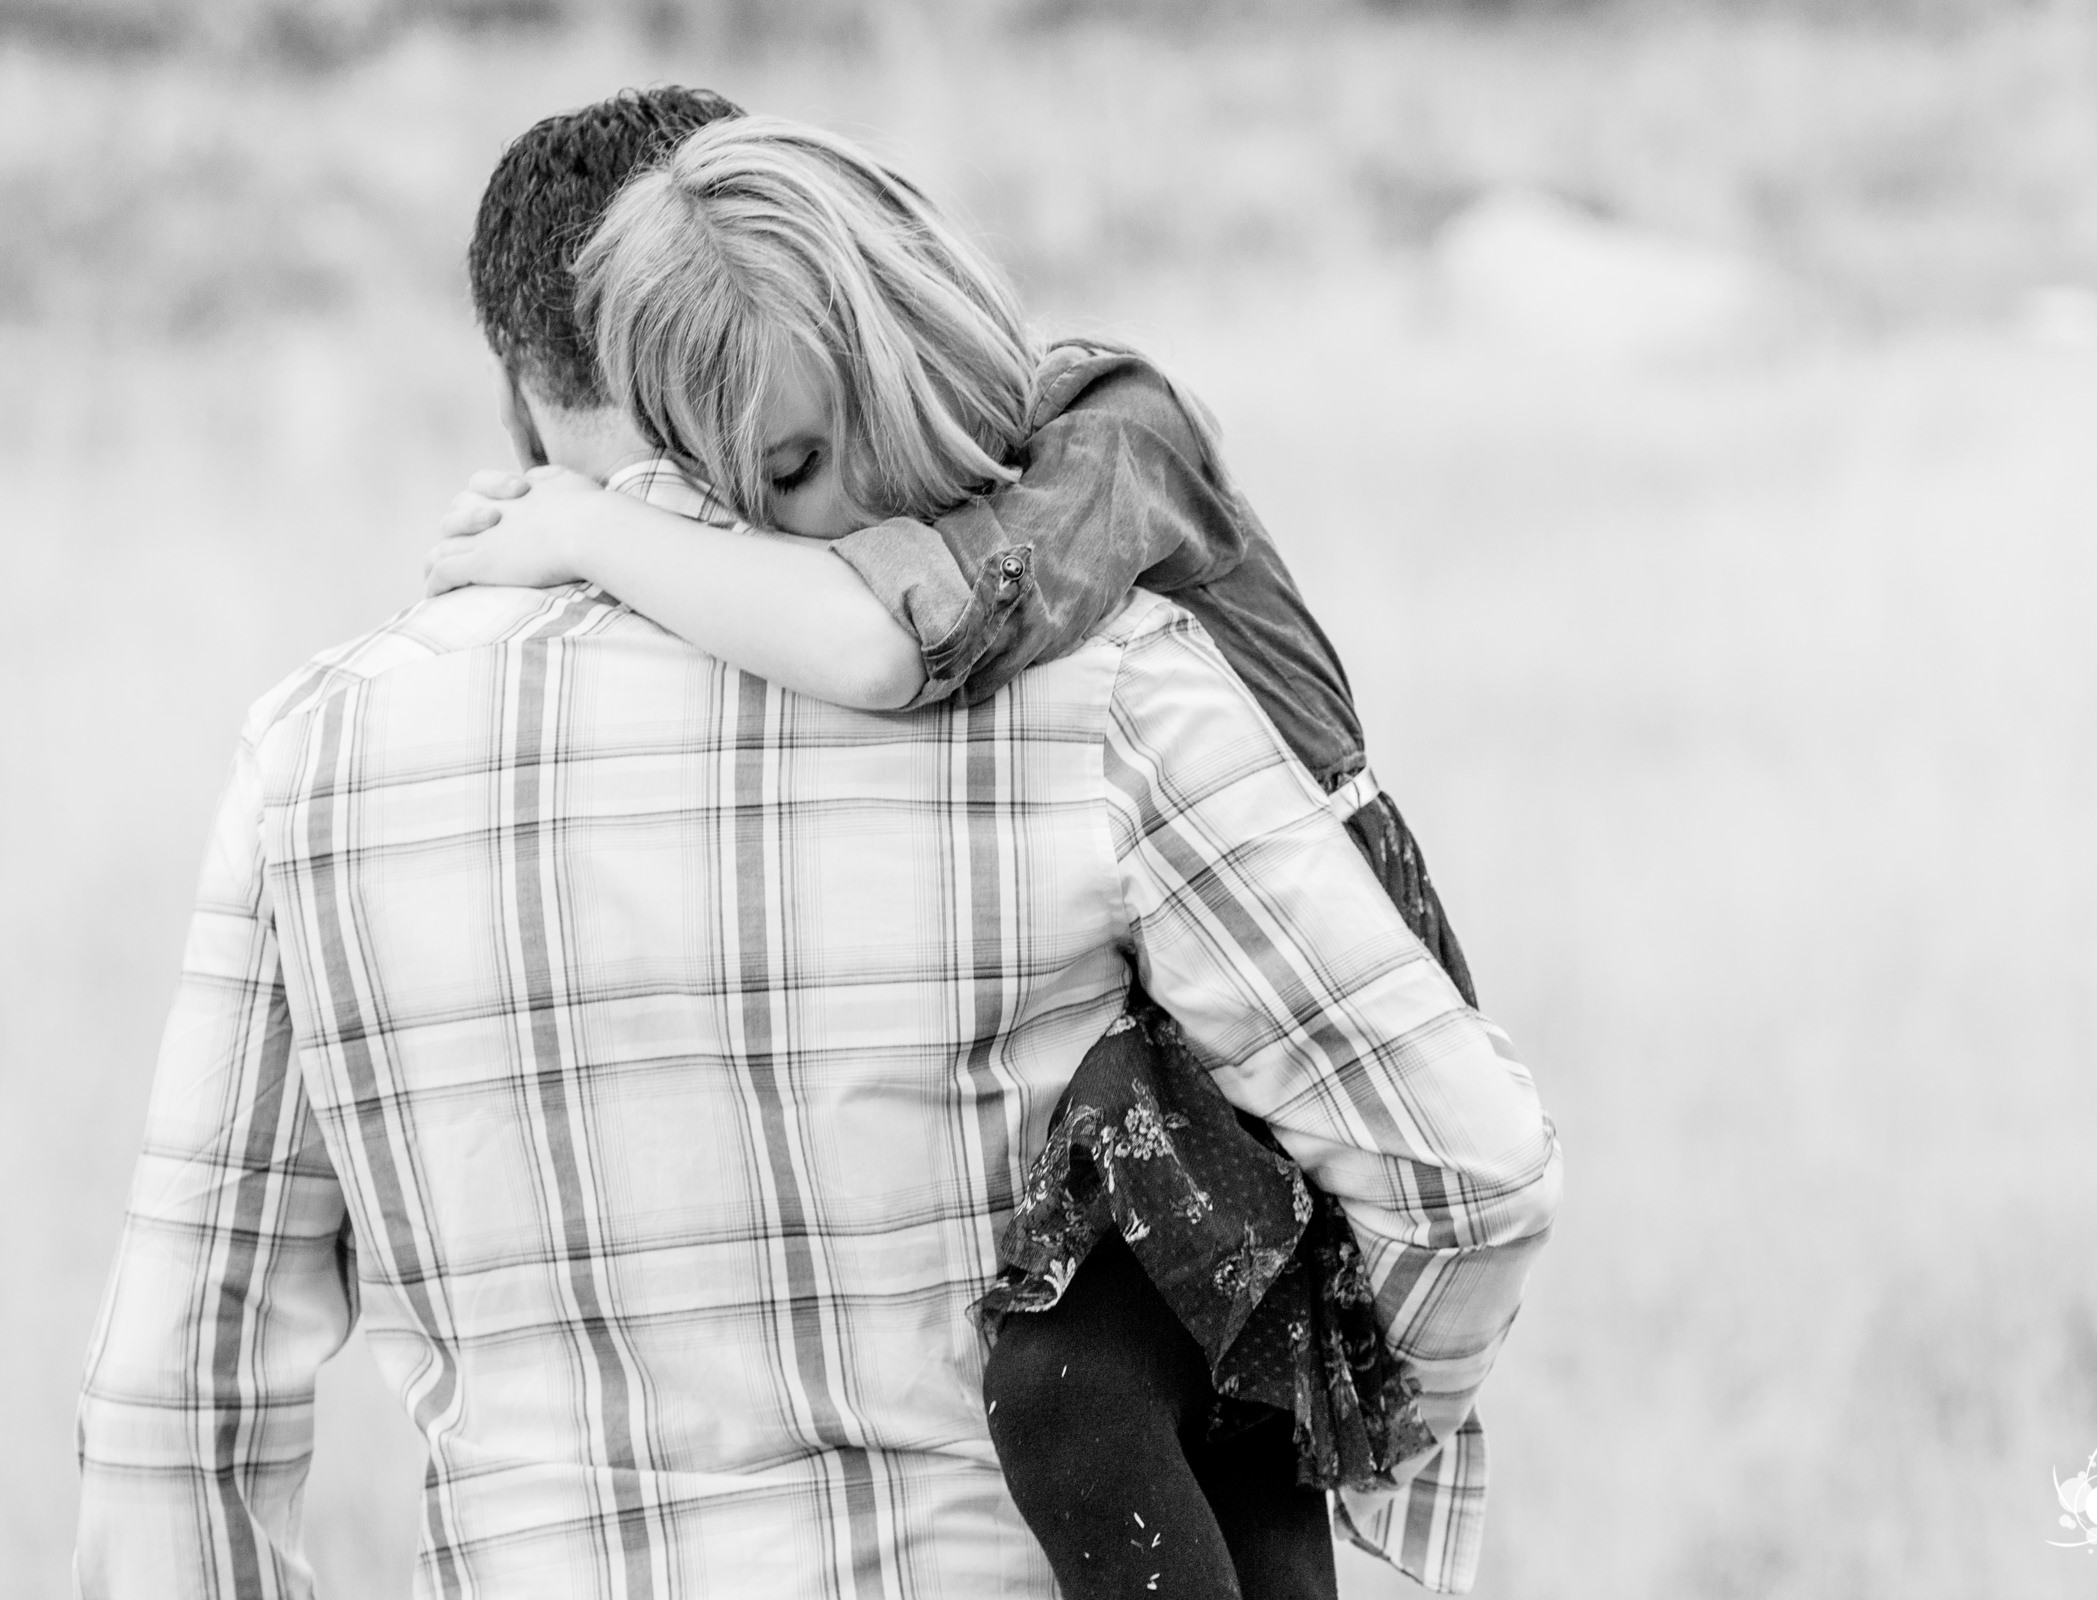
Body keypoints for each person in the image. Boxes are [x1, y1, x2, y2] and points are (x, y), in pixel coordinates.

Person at [72, 88, 1563, 1600]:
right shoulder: (1101, 690)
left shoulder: (315, 759)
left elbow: (172, 1409)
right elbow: (1467, 1179)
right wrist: (1324, 1416)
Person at [425, 115, 1487, 1599]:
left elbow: (889, 641)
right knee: (1161, 1421)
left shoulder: (1110, 435)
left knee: (1078, 1393)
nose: (823, 524)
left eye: (798, 463)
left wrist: (595, 538)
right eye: (760, 498)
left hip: (1307, 979)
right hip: (1161, 1034)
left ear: (909, 321)